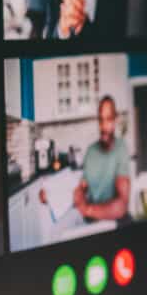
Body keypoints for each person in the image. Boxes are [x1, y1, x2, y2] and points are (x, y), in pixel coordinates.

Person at [41, 94, 130, 223]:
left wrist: (88, 209)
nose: (104, 125)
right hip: (92, 222)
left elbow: (122, 206)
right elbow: (82, 188)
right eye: (101, 119)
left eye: (109, 119)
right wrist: (51, 195)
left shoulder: (121, 148)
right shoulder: (91, 151)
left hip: (115, 222)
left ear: (115, 119)